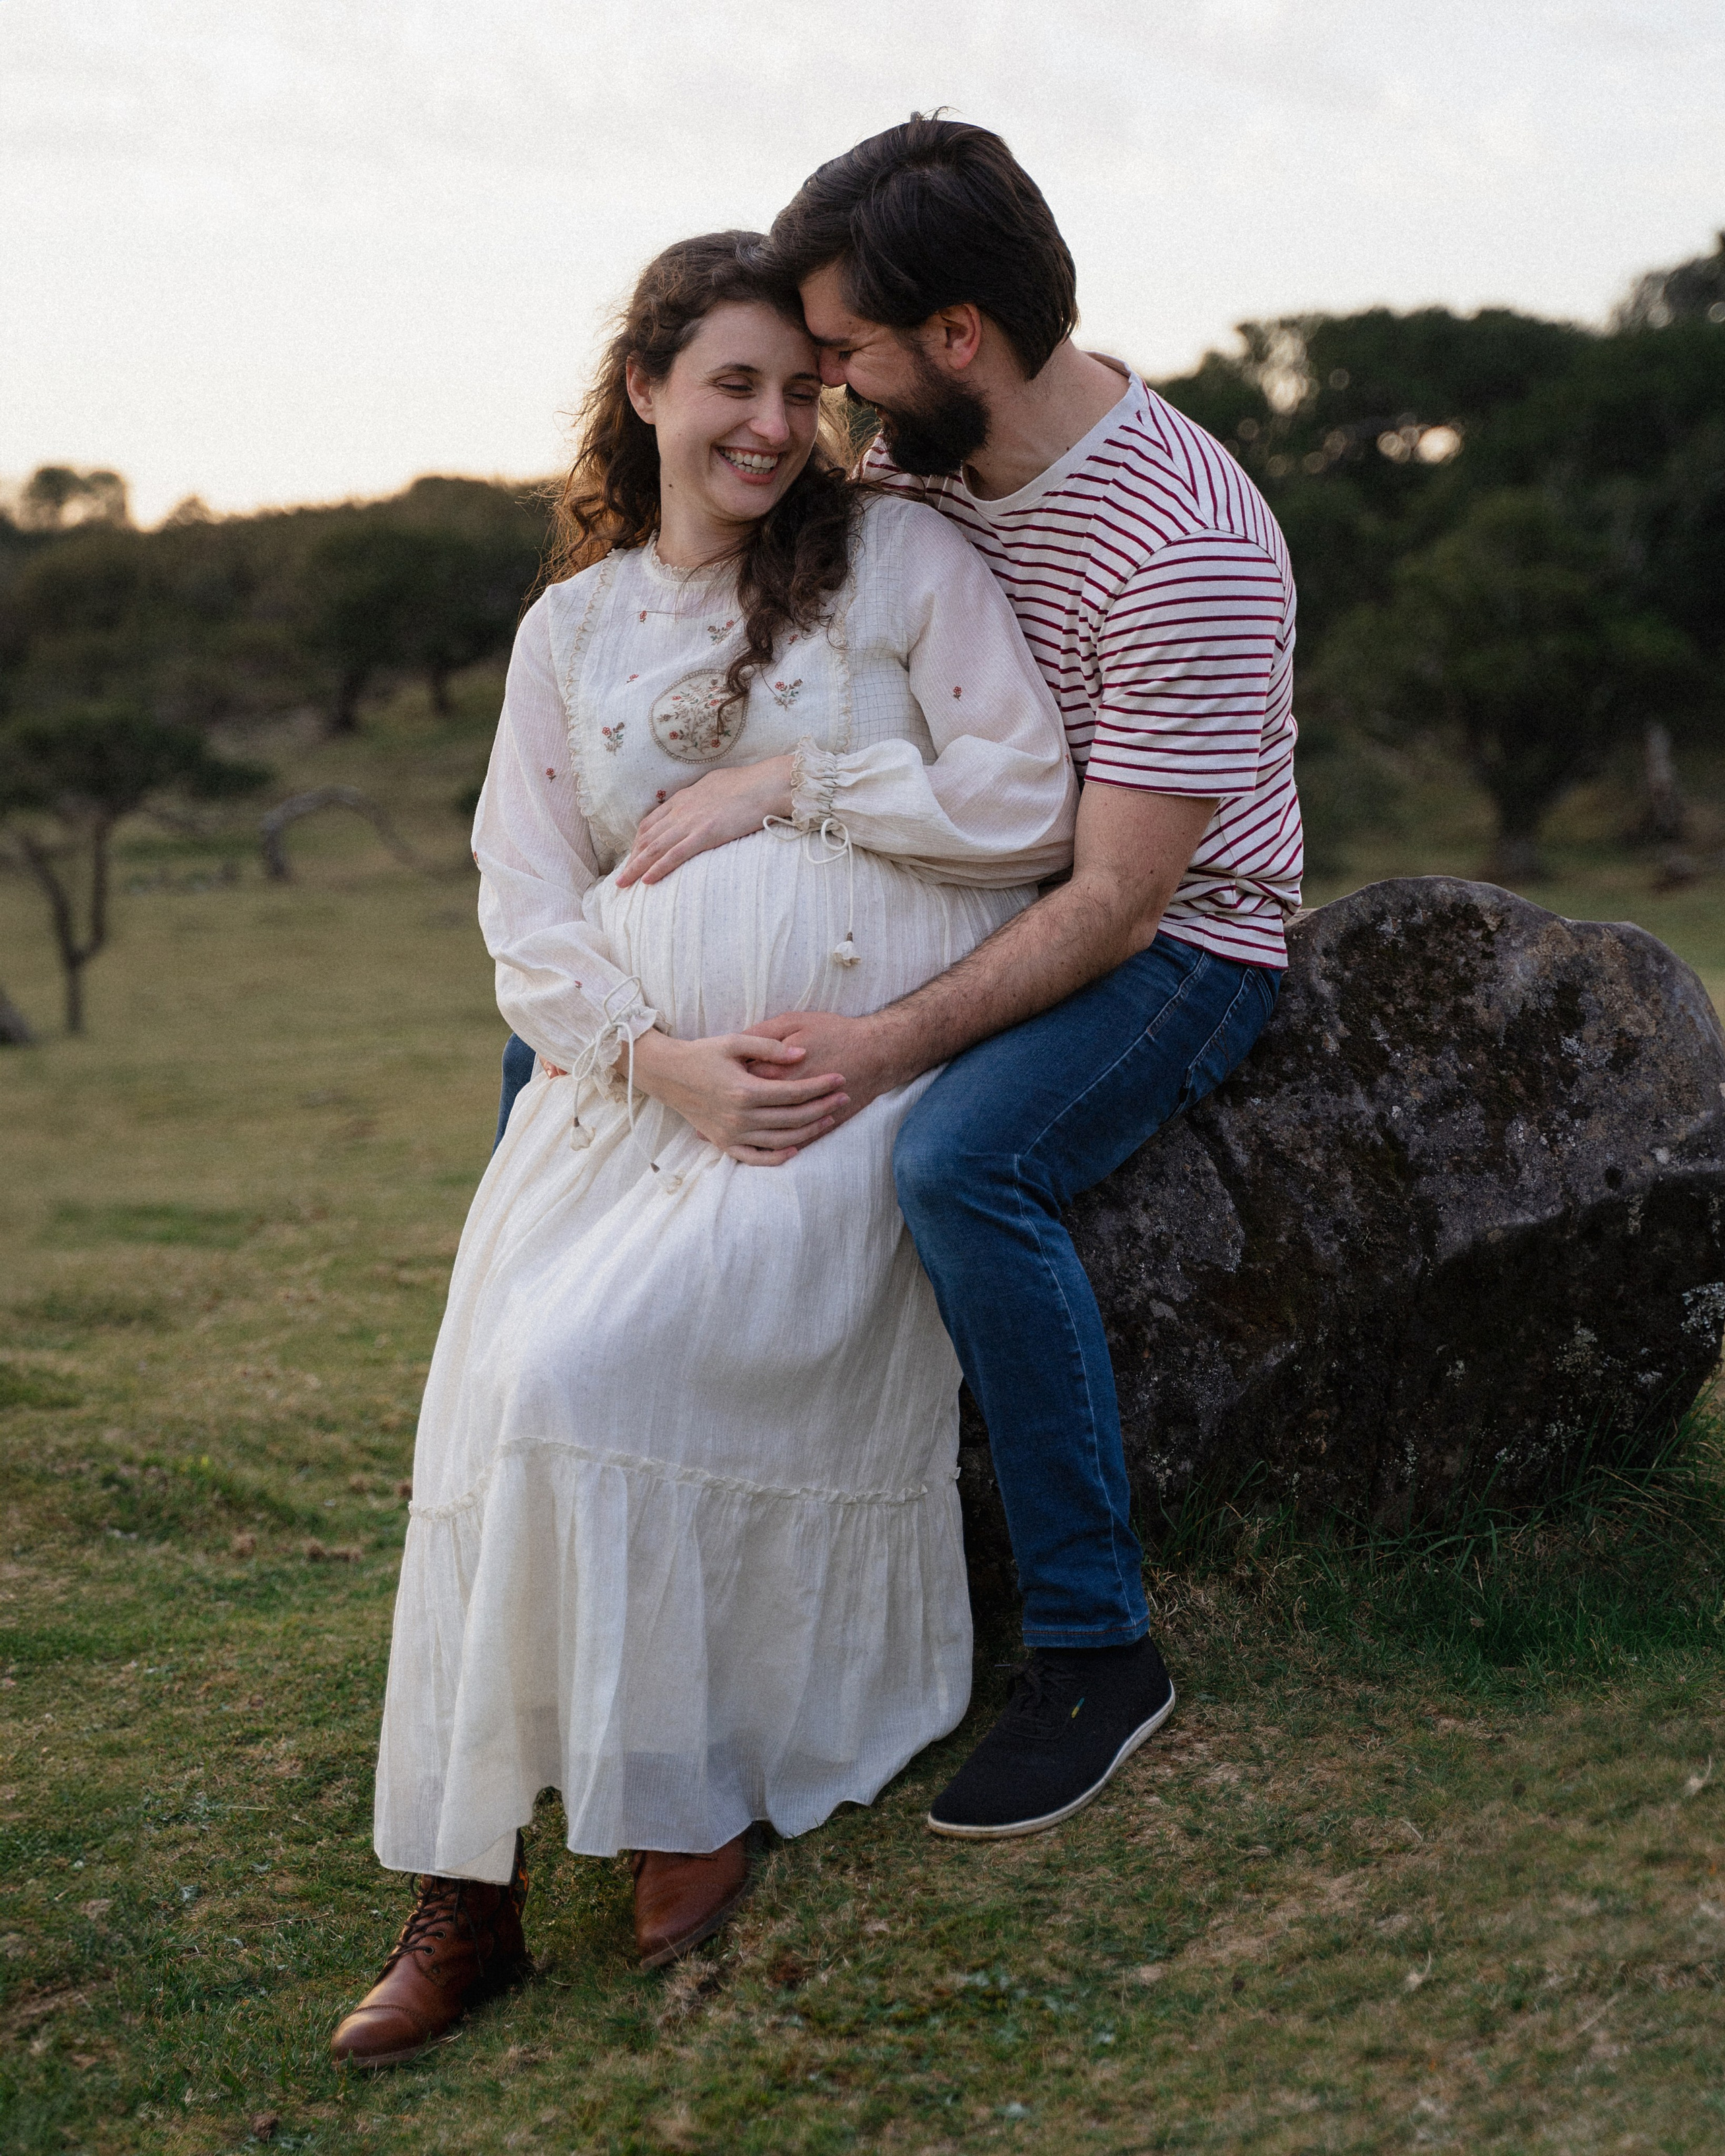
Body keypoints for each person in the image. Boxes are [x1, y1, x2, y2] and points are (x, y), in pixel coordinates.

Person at [330, 230, 1077, 2068]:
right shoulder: (568, 632)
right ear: (648, 386)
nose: (769, 424)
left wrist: (796, 780)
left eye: (798, 390)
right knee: (499, 1390)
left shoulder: (898, 555)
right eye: (731, 384)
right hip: (634, 1096)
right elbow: (526, 903)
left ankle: (686, 1790)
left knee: (596, 1366)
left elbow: (1028, 792)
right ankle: (467, 1887)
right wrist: (656, 1060)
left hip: (844, 1084)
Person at [747, 117, 1303, 1841]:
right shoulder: (914, 466)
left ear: (956, 339)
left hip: (1176, 935)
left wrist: (879, 1047)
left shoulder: (1185, 544)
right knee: (596, 1060)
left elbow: (1124, 901)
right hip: (961, 876)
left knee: (948, 1156)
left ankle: (1093, 1644)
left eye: (841, 348)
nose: (822, 383)